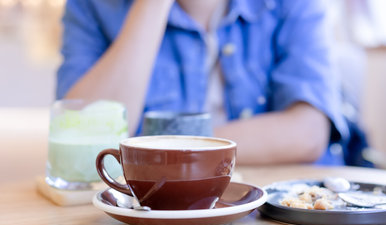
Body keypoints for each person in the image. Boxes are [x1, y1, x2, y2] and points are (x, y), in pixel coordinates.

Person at [57, 0, 349, 165]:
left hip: (282, 211)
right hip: (154, 214)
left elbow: (307, 133)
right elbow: (85, 145)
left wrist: (161, 152)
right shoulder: (91, 6)